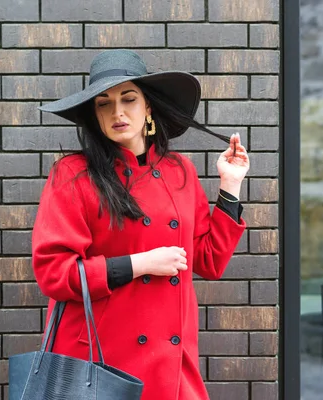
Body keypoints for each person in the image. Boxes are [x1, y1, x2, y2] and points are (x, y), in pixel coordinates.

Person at [31, 49, 249, 400]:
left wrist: (230, 186)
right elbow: (54, 273)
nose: (117, 112)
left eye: (128, 99)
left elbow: (209, 260)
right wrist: (141, 263)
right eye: (104, 103)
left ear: (148, 106)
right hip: (99, 366)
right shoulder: (73, 175)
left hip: (172, 365)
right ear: (95, 114)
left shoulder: (180, 171)